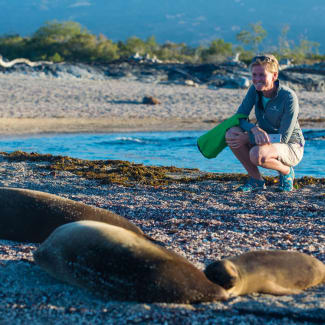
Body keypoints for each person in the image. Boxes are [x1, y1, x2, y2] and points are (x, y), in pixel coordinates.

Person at [225, 54, 304, 192]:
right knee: (232, 134)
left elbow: (283, 138)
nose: (257, 79)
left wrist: (248, 137)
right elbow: (240, 117)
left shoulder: (289, 97)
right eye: (254, 75)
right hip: (264, 140)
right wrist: (254, 130)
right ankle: (256, 180)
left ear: (274, 76)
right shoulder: (254, 90)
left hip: (291, 146)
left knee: (257, 154)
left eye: (262, 75)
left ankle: (286, 172)